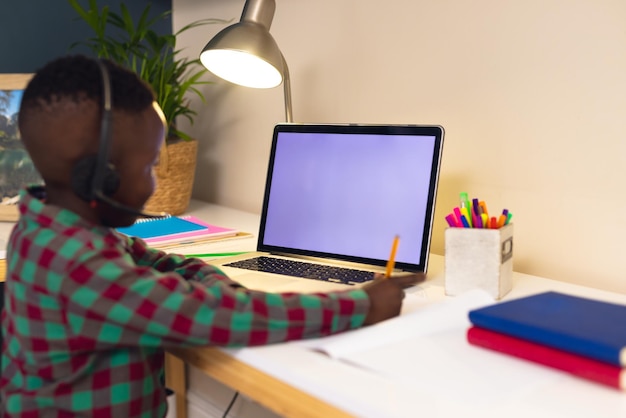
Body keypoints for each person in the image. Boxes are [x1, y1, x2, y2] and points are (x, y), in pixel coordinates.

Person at [0, 55, 425, 417]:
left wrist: (215, 286)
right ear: (100, 176)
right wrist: (362, 304)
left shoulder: (49, 228)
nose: (155, 179)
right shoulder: (80, 266)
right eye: (150, 165)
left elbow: (162, 262)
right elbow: (217, 318)